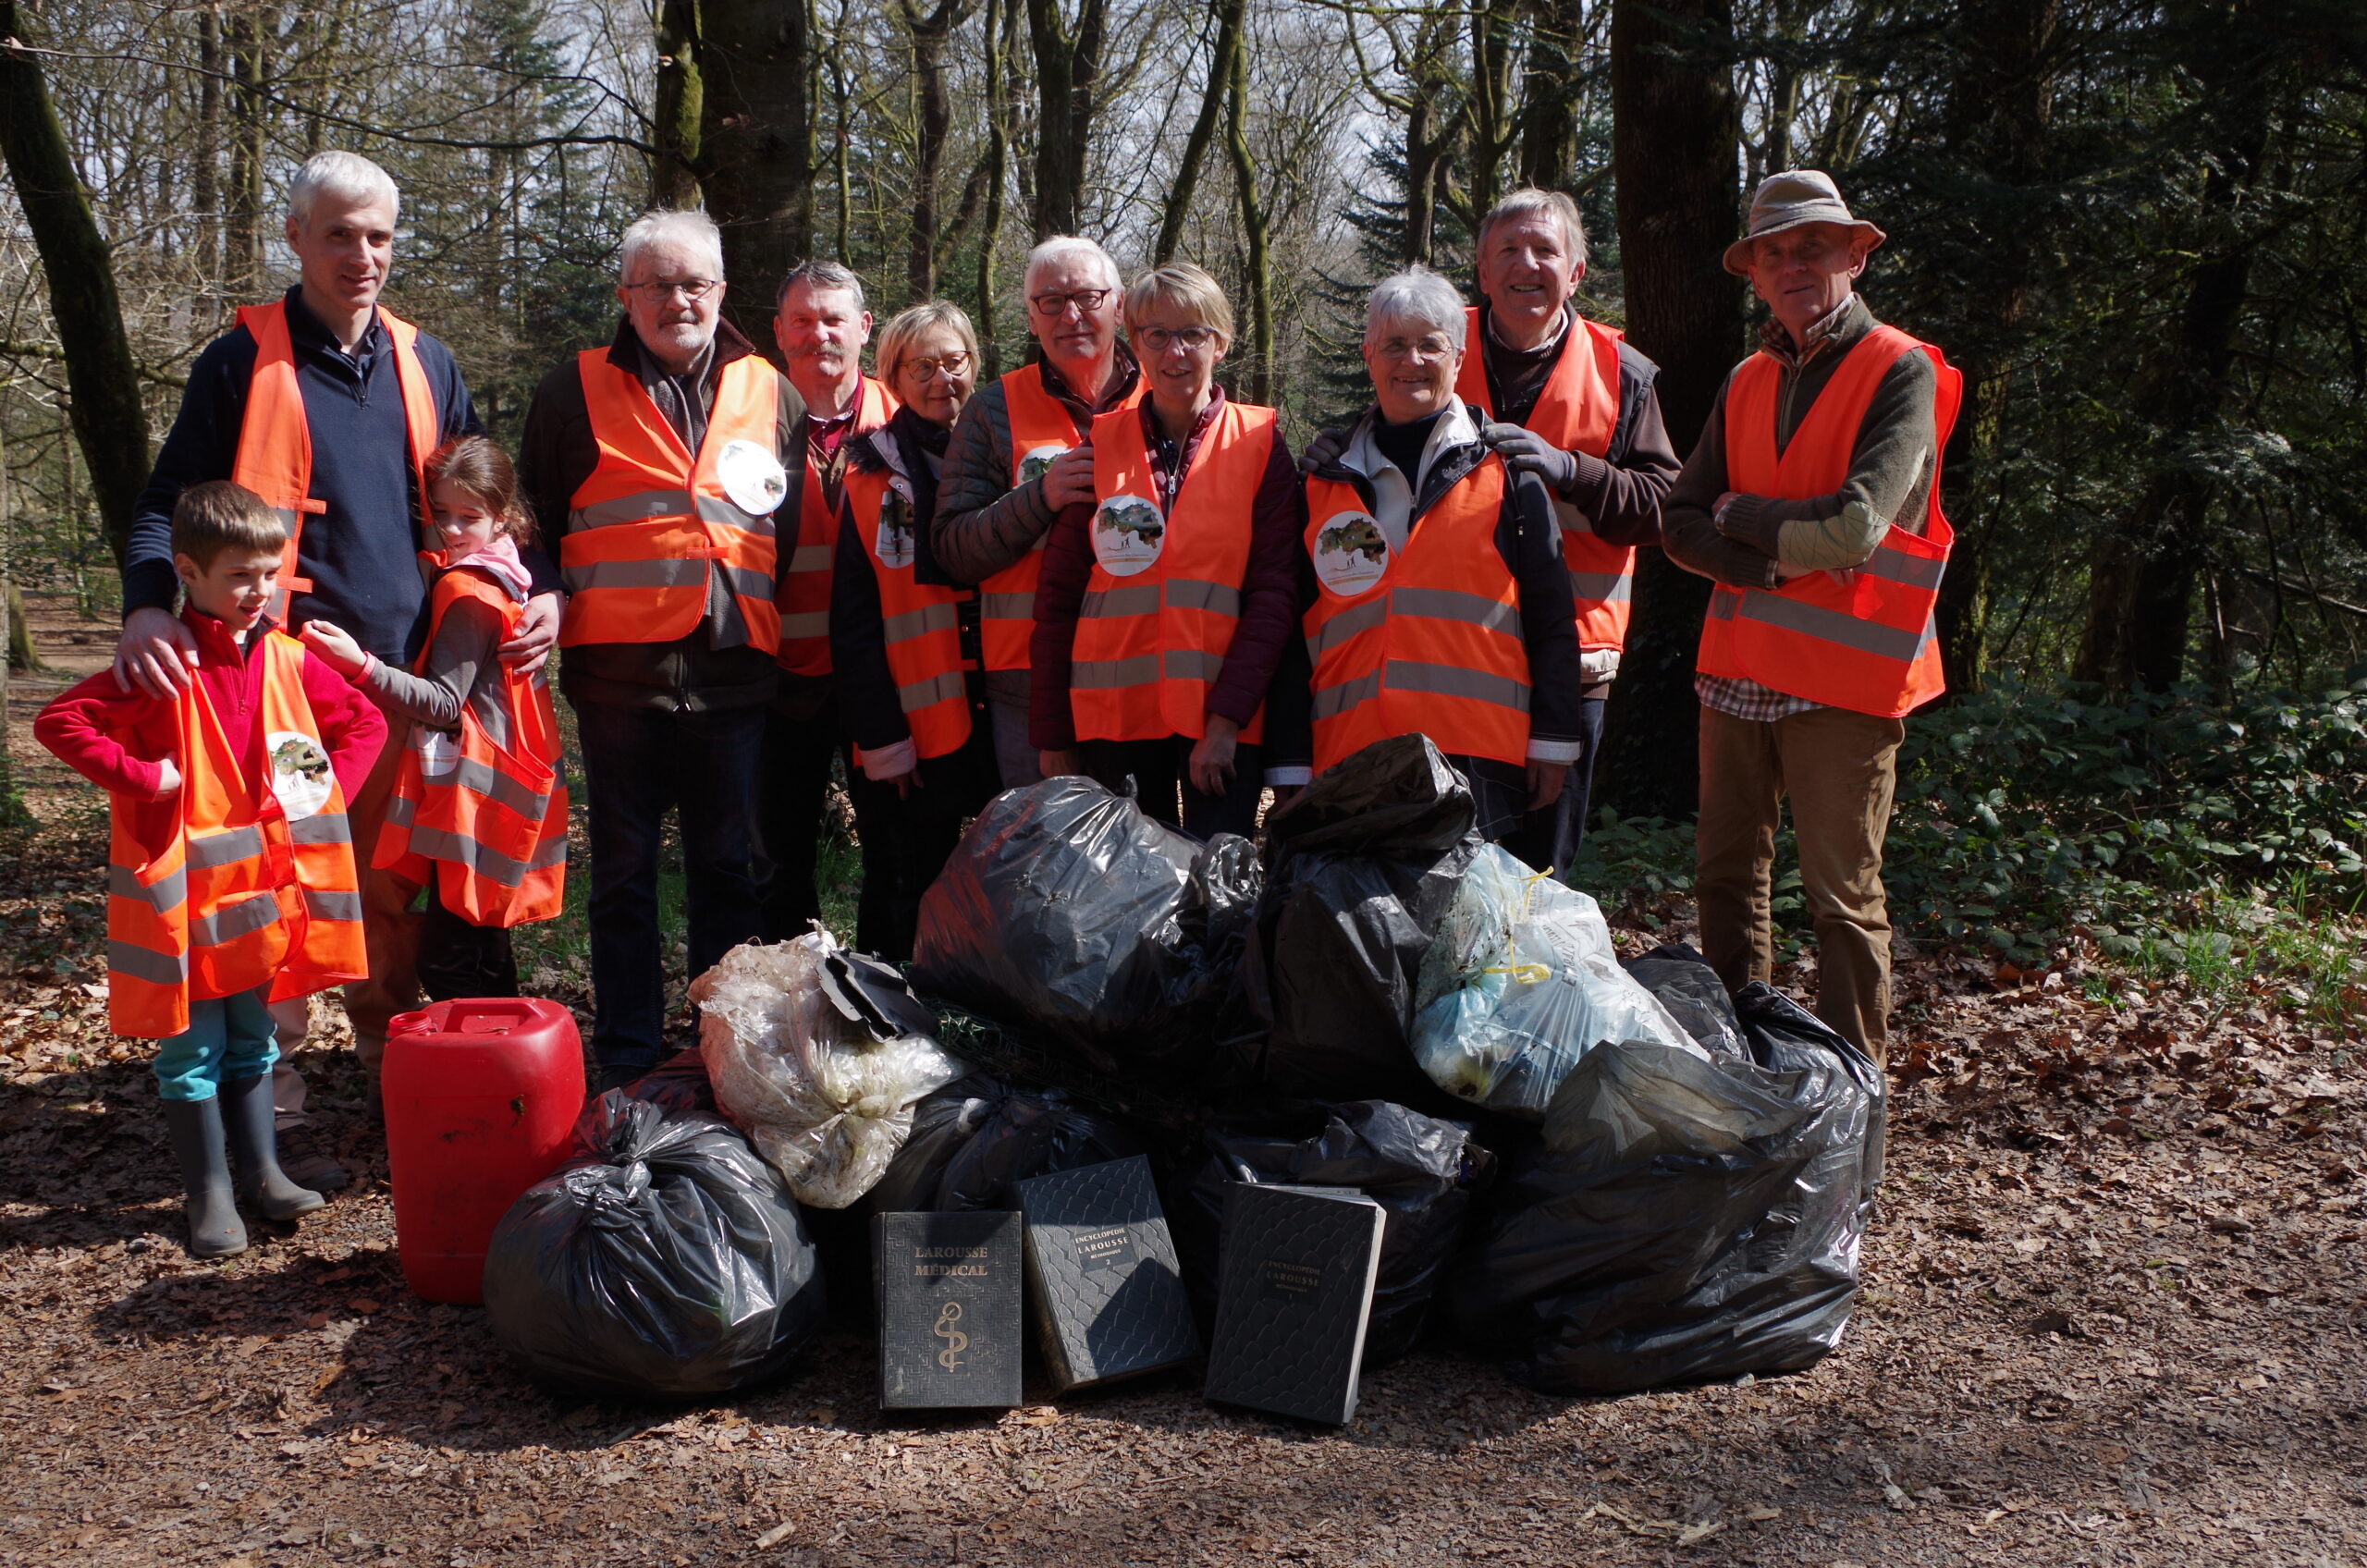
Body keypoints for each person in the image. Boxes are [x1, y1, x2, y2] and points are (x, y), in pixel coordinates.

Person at [117, 150, 548, 1192]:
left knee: (393, 886)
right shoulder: (239, 362)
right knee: (278, 877)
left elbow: (486, 504)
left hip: (401, 681)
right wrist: (144, 606)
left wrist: (536, 594)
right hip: (277, 685)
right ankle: (277, 1089)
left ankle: (393, 1064)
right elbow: (163, 499)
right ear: (298, 239)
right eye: (341, 234)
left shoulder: (427, 361)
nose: (364, 255)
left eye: (381, 236)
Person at [36, 483, 386, 1256]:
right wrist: (143, 778)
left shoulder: (289, 659)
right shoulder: (163, 664)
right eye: (239, 576)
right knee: (191, 1053)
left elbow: (364, 721)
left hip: (262, 903)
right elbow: (59, 720)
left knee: (255, 1039)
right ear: (187, 573)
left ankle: (263, 1175)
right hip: (184, 908)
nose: (258, 591)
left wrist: (321, 794)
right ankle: (210, 1194)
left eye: (269, 573)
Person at [1660, 169, 1960, 1064]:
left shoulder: (1900, 368)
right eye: (1773, 252)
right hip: (1738, 666)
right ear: (1752, 272)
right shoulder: (1746, 377)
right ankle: (1741, 1076)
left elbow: (1855, 529)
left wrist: (1740, 518)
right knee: (1723, 881)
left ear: (1855, 256)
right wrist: (1763, 557)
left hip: (1845, 680)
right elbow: (1676, 520)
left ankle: (1850, 1105)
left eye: (1812, 247)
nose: (1792, 265)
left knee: (1841, 901)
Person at [518, 209, 808, 1093]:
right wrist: (543, 587)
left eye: (695, 284)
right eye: (657, 285)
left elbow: (782, 533)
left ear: (721, 292)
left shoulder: (773, 391)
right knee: (624, 875)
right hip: (618, 677)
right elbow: (537, 519)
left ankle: (717, 1052)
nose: (678, 300)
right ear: (626, 297)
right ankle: (633, 1055)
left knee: (730, 871)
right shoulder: (571, 390)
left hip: (733, 670)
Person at [1270, 267, 1585, 842]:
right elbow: (1293, 634)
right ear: (1369, 356)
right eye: (1393, 344)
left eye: (1429, 345)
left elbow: (1552, 617)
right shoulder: (1323, 482)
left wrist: (1553, 741)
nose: (1410, 360)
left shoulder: (1509, 471)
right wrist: (1290, 760)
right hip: (1349, 756)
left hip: (1479, 759)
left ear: (1459, 358)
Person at [1030, 263, 1300, 838]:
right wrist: (1053, 736)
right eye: (1157, 335)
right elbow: (1057, 597)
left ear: (1221, 344)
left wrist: (1226, 722)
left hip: (1220, 721)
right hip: (1113, 721)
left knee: (1217, 896)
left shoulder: (1260, 445)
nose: (1175, 352)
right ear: (1135, 345)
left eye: (1193, 334)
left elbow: (1275, 595)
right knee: (1129, 903)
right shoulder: (1098, 446)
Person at [300, 437, 568, 1002]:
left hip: (474, 793)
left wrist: (361, 666)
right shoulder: (506, 572)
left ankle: (472, 1071)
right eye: (439, 513)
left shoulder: (469, 587)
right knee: (483, 943)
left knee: (451, 957)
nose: (450, 529)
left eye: (468, 517)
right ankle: (504, 1064)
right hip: (502, 780)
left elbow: (444, 701)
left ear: (504, 515)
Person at [1462, 188, 1682, 873]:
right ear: (1482, 267)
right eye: (1509, 250)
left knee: (1541, 871)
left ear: (1576, 271)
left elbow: (1664, 507)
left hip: (1573, 665)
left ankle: (1535, 983)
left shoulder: (1626, 374)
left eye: (1545, 250)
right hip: (1452, 652)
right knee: (1449, 862)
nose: (1526, 265)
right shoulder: (1431, 345)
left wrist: (1573, 471)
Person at [933, 236, 1141, 790]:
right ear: (1030, 318)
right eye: (1051, 301)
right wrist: (1040, 498)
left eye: (1088, 297)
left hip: (1143, 677)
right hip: (1026, 688)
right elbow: (952, 549)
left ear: (1118, 306)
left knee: (1145, 864)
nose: (1071, 314)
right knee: (1037, 864)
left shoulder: (1164, 397)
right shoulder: (992, 409)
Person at [829, 301, 1000, 958]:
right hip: (912, 728)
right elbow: (854, 620)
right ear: (892, 378)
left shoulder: (1006, 451)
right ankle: (888, 1029)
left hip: (1000, 712)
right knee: (902, 884)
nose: (940, 379)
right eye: (921, 365)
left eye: (953, 361)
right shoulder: (869, 473)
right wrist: (882, 738)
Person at [761, 261, 898, 940]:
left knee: (896, 848)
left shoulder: (904, 420)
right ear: (780, 333)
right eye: (805, 321)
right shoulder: (745, 423)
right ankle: (791, 993)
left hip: (886, 673)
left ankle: (884, 996)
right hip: (781, 675)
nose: (821, 334)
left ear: (864, 328)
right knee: (778, 853)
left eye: (835, 319)